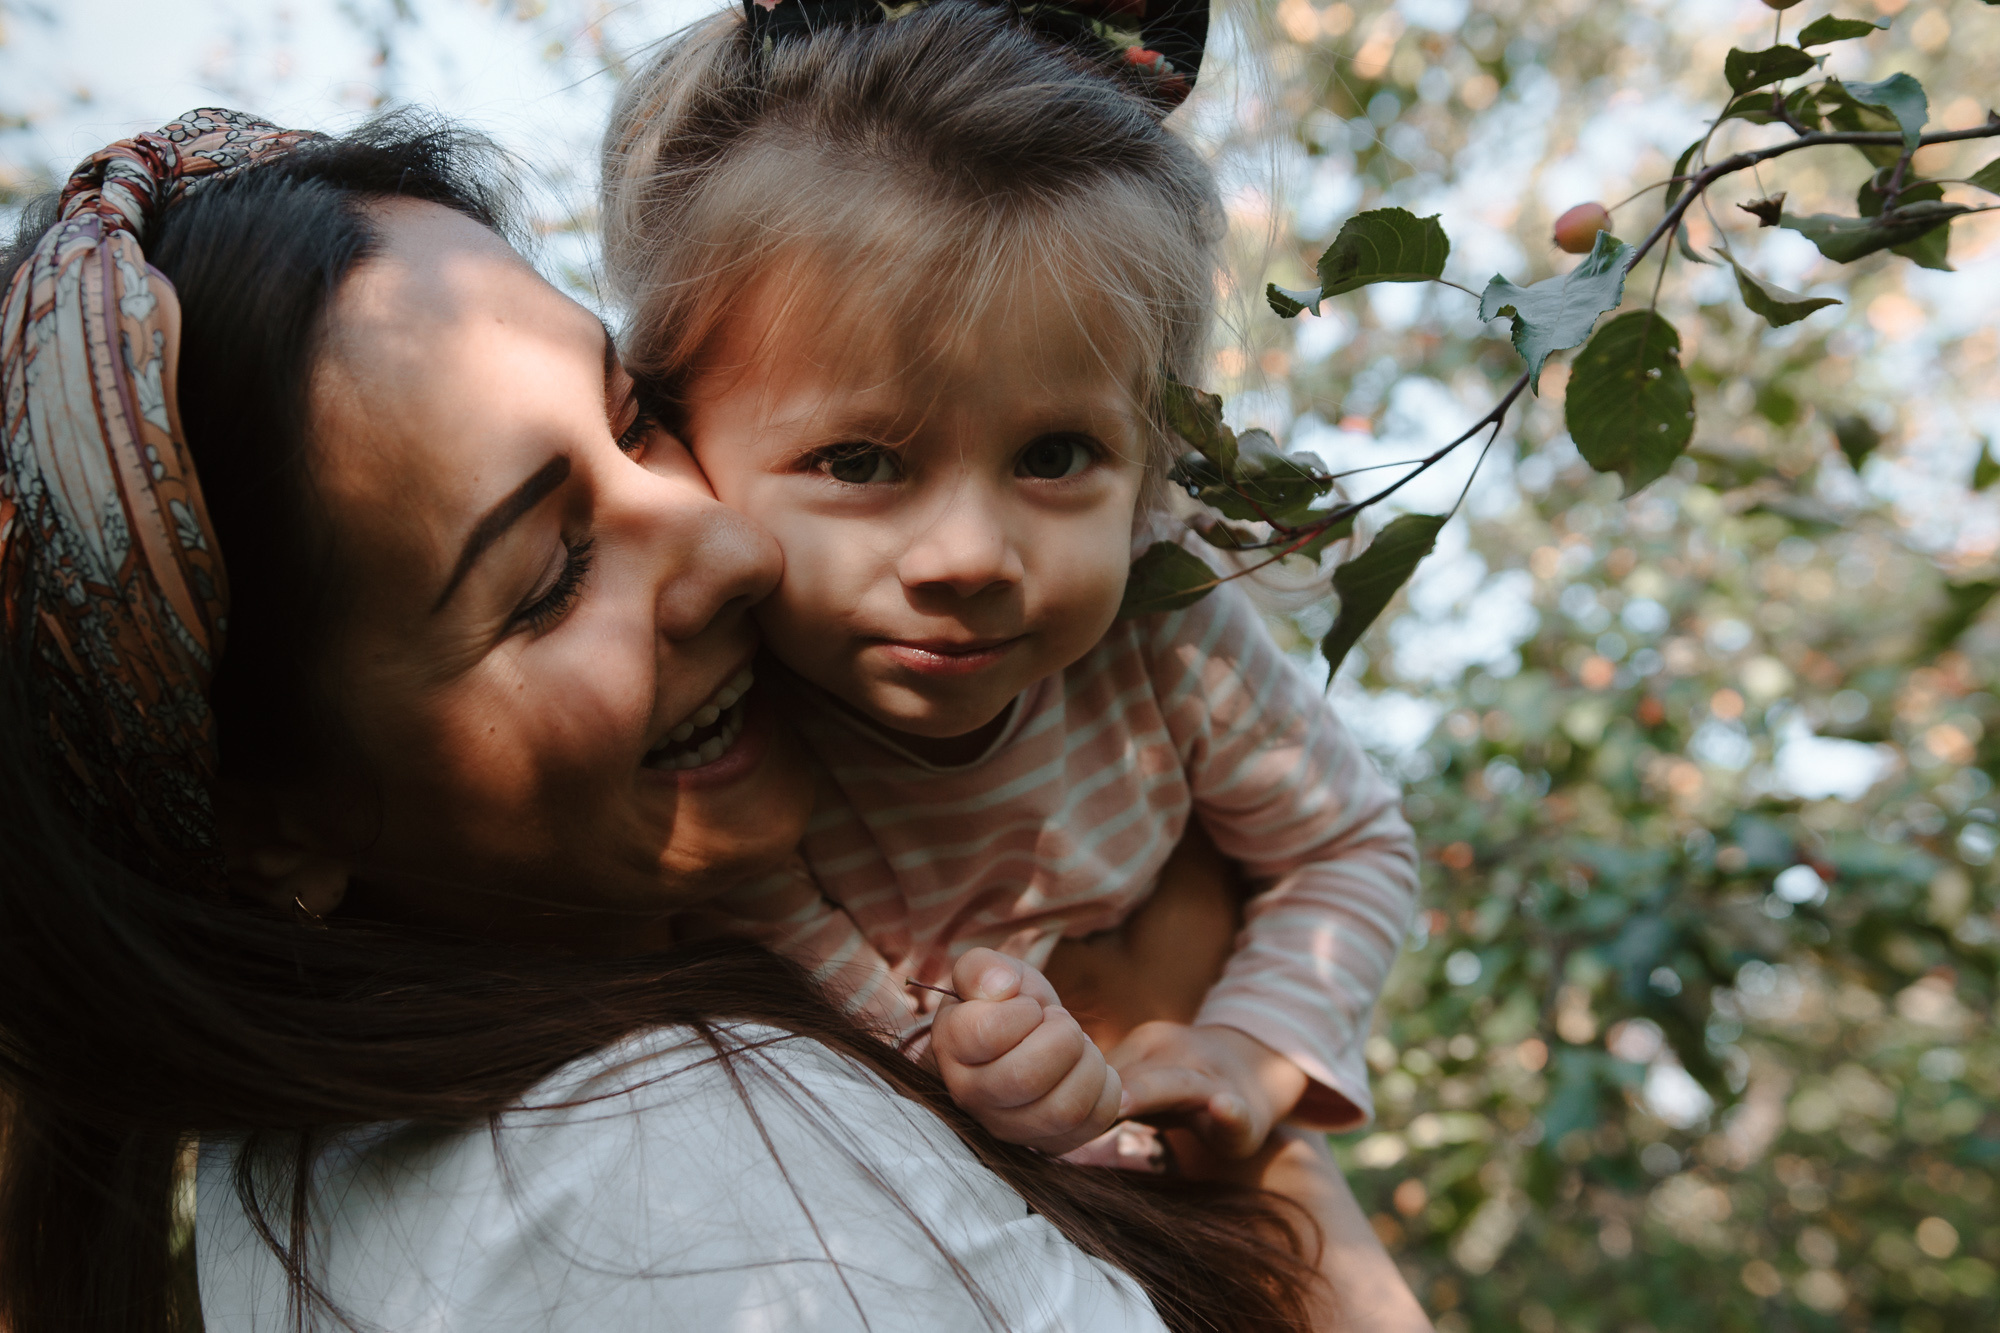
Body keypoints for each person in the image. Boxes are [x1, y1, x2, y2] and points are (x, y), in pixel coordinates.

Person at [0, 109, 1431, 1331]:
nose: (732, 549)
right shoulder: (640, 1203)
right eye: (550, 576)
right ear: (276, 820)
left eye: (635, 423)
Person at [600, 0, 1421, 1164]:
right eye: (859, 461)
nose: (970, 555)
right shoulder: (720, 731)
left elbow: (1345, 849)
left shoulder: (1162, 622)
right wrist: (994, 1074)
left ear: (1148, 461)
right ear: (681, 447)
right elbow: (849, 1041)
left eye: (1053, 456)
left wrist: (1243, 1054)